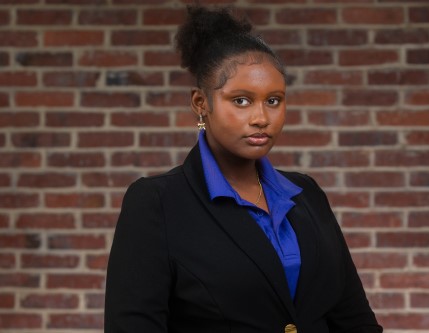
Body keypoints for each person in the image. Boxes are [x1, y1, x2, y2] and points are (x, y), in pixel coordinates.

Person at [104, 5, 383, 333]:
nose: (261, 118)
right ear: (200, 103)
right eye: (241, 100)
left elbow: (354, 320)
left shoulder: (306, 194)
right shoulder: (157, 203)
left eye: (274, 100)